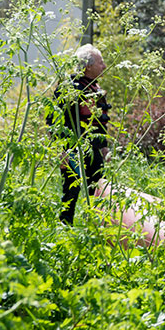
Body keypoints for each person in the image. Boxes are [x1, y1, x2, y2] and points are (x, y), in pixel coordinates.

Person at [52, 44, 111, 225]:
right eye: (101, 63)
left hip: (94, 148)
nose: (104, 66)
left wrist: (104, 147)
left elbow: (100, 121)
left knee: (99, 190)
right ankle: (64, 228)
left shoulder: (96, 89)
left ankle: (94, 229)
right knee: (71, 190)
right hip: (73, 148)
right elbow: (55, 120)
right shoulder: (69, 87)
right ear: (88, 66)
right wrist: (61, 150)